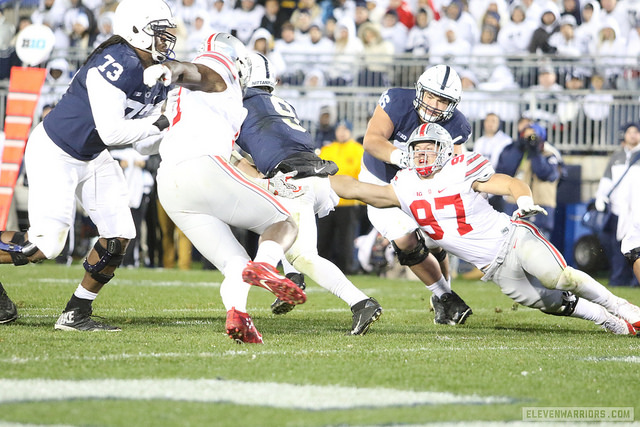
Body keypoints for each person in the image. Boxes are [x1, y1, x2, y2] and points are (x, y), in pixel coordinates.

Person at [330, 123, 640, 335]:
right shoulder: (404, 184)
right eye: (417, 150)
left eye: (430, 148)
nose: (423, 155)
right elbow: (356, 189)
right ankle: (606, 320)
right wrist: (320, 177)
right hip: (493, 268)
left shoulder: (461, 168)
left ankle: (621, 307)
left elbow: (508, 182)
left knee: (558, 277)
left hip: (512, 238)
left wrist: (523, 198)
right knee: (552, 303)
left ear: (445, 150)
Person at [0, 0, 178, 329]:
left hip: (91, 155)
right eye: (159, 32)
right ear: (137, 30)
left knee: (120, 235)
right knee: (43, 244)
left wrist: (171, 132)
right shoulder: (116, 61)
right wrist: (160, 123)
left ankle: (76, 312)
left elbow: (141, 142)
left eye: (168, 32)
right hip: (56, 150)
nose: (166, 39)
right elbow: (112, 131)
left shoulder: (153, 71)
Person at [143, 33, 307, 344]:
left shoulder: (182, 97)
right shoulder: (218, 65)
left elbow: (145, 145)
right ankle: (266, 266)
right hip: (203, 167)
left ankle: (238, 315)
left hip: (169, 183)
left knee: (235, 263)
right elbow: (197, 73)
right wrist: (171, 70)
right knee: (284, 222)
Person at [233, 52, 382, 335]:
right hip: (316, 177)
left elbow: (237, 150)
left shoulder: (238, 104)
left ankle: (360, 302)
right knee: (277, 220)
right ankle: (292, 276)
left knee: (304, 254)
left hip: (293, 180)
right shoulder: (282, 103)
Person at [360, 64, 472, 326]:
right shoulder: (398, 101)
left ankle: (443, 295)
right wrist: (403, 157)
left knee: (436, 242)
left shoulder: (458, 125)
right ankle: (446, 296)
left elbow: (455, 165)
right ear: (420, 90)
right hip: (381, 179)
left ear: (452, 104)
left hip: (420, 184)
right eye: (431, 95)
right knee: (406, 241)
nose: (434, 104)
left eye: (443, 100)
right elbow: (372, 140)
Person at [495, 122, 562, 238]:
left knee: (537, 250)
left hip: (541, 209)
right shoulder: (518, 153)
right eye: (526, 136)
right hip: (515, 207)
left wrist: (535, 152)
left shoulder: (550, 154)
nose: (530, 139)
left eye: (533, 136)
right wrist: (517, 148)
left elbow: (545, 173)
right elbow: (505, 171)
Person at [593, 123, 640, 287]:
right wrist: (600, 196)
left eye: (636, 132)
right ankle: (618, 279)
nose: (633, 135)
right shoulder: (617, 156)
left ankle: (636, 281)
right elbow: (607, 179)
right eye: (630, 132)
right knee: (616, 247)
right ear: (624, 135)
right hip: (617, 209)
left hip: (637, 211)